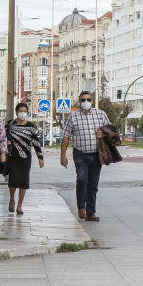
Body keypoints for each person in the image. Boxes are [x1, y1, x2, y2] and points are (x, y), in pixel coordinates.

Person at [59, 91, 111, 222]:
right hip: (80, 154)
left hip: (97, 154)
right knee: (82, 179)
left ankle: (91, 212)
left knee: (93, 183)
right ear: (79, 102)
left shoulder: (101, 114)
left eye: (88, 99)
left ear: (92, 101)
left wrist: (103, 134)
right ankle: (81, 207)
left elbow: (111, 132)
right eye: (83, 100)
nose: (86, 102)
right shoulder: (73, 116)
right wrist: (63, 155)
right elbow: (66, 136)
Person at [5, 102, 44, 215]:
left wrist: (40, 157)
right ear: (16, 112)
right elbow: (3, 137)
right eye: (20, 111)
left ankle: (19, 205)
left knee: (24, 182)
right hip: (13, 157)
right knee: (12, 182)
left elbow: (36, 142)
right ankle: (12, 199)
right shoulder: (10, 124)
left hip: (25, 158)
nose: (22, 113)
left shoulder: (31, 126)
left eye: (25, 111)